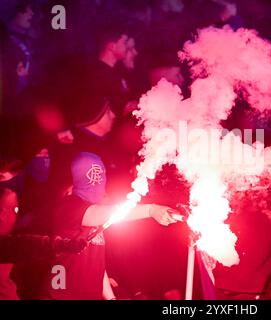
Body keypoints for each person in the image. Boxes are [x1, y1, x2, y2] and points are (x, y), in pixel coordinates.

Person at [36, 92, 179, 300]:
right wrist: (150, 209)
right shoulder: (68, 209)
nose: (99, 189)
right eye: (93, 181)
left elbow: (95, 265)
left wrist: (111, 298)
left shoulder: (94, 216)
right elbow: (103, 213)